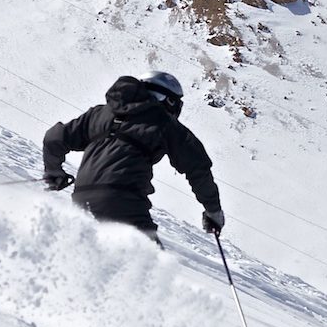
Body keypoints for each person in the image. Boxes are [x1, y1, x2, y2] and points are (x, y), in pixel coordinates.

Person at [42, 71, 224, 244]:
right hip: (124, 199)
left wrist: (54, 172)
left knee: (94, 253)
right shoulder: (163, 122)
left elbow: (54, 138)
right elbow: (197, 167)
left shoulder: (99, 114)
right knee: (149, 259)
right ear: (167, 99)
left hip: (82, 197)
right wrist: (213, 211)